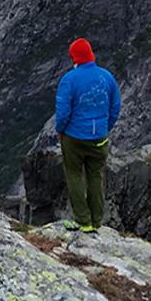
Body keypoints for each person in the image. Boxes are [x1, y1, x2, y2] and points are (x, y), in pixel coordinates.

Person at [55, 38, 121, 232]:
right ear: (91, 54)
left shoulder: (69, 80)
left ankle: (83, 221)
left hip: (74, 137)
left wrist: (61, 130)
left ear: (74, 57)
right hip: (99, 138)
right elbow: (115, 107)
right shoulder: (107, 77)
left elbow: (63, 112)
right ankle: (97, 220)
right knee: (95, 177)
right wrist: (104, 127)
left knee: (74, 175)